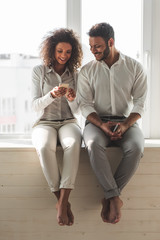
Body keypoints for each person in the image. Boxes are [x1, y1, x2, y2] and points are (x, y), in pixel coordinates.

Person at [77, 23, 147, 224]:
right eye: (90, 46)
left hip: (127, 123)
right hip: (96, 123)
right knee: (92, 144)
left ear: (111, 42)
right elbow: (84, 105)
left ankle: (110, 196)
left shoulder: (134, 67)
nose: (93, 51)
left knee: (135, 147)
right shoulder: (87, 70)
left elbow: (140, 103)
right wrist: (101, 125)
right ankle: (115, 198)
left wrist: (125, 125)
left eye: (97, 46)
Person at [31, 28, 83, 226]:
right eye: (60, 51)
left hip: (68, 121)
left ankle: (62, 202)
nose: (63, 56)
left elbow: (77, 111)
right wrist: (51, 95)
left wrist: (71, 99)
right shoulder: (39, 71)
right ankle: (62, 202)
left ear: (73, 53)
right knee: (44, 147)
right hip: (44, 122)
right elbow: (35, 106)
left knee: (73, 143)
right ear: (52, 50)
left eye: (68, 52)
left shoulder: (75, 75)